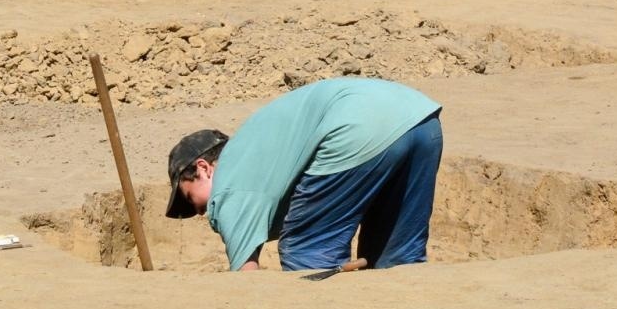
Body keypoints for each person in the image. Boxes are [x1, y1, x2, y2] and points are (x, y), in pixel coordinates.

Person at [164, 78, 443, 272]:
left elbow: (245, 282)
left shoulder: (228, 188)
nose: (200, 212)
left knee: (306, 250)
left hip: (356, 128)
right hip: (420, 119)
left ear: (204, 168)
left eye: (191, 199)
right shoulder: (256, 151)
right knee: (396, 260)